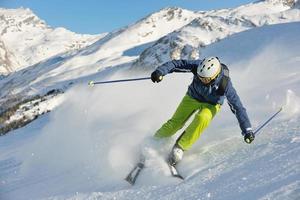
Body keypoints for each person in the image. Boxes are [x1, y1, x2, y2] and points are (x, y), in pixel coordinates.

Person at [150, 56, 255, 166]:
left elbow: (238, 107)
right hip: (192, 97)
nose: (201, 80)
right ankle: (154, 141)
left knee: (202, 118)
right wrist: (160, 72)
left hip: (211, 104)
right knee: (175, 123)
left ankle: (180, 148)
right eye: (200, 77)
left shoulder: (225, 83)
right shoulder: (198, 66)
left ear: (214, 77)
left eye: (205, 79)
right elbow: (177, 64)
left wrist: (247, 130)